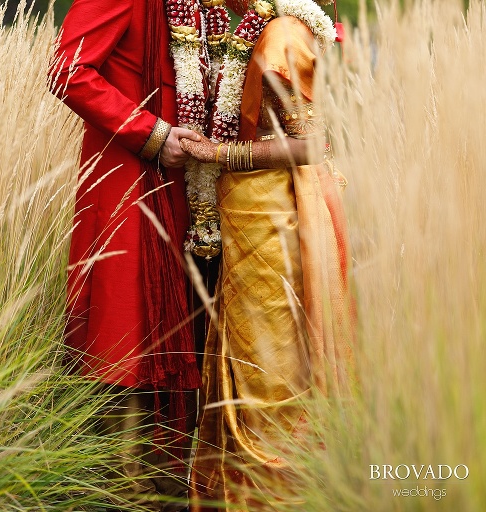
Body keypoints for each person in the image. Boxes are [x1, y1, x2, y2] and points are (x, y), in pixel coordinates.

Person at [178, 0, 354, 509]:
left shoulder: (282, 33)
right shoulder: (280, 28)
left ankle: (275, 495)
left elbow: (308, 146)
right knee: (258, 361)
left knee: (269, 373)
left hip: (275, 222)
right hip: (259, 216)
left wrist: (217, 153)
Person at [49, 0, 205, 510]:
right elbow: (69, 70)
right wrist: (150, 134)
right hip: (128, 179)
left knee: (173, 330)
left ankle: (168, 481)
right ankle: (123, 487)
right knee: (125, 330)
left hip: (180, 185)